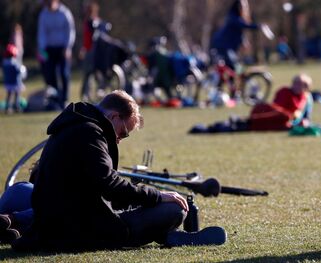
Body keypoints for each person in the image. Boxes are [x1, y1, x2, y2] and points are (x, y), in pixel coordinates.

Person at [16, 91, 205, 251]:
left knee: (150, 207)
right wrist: (157, 195)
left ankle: (162, 234)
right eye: (123, 133)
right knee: (174, 210)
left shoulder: (74, 123)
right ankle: (161, 234)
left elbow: (101, 186)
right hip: (79, 230)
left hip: (60, 223)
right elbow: (110, 186)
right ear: (114, 117)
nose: (119, 140)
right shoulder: (89, 133)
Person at [37, 0, 75, 108]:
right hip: (49, 49)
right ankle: (54, 98)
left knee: (64, 73)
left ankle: (64, 99)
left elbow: (70, 31)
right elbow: (42, 33)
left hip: (62, 48)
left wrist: (67, 48)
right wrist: (42, 50)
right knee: (49, 73)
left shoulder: (64, 13)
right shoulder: (43, 15)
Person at [248, 74, 313, 131]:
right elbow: (275, 107)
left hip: (288, 121)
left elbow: (305, 117)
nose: (296, 85)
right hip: (277, 116)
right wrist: (287, 115)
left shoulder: (307, 98)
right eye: (295, 82)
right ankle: (251, 121)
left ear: (306, 86)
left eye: (299, 84)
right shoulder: (284, 91)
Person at [210, 0, 260, 70]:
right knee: (233, 65)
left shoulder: (238, 18)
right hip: (221, 46)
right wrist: (258, 26)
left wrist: (244, 41)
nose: (245, 9)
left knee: (235, 67)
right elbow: (243, 25)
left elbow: (238, 33)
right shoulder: (233, 18)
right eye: (243, 7)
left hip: (227, 47)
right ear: (238, 7)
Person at [3, 44, 27, 114]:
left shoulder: (4, 63)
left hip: (8, 82)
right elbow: (18, 71)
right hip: (15, 82)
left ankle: (8, 108)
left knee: (9, 95)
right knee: (17, 95)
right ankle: (16, 107)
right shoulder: (14, 63)